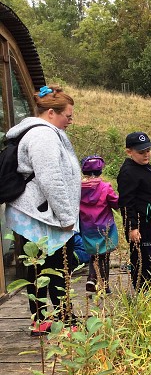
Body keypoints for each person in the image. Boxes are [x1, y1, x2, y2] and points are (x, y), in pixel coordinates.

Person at [3, 85, 80, 335]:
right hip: (41, 215)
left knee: (37, 267)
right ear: (50, 112)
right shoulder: (43, 136)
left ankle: (42, 319)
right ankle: (62, 321)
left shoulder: (42, 132)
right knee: (56, 266)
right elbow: (51, 179)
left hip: (36, 213)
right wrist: (67, 217)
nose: (70, 120)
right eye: (67, 115)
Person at [117, 132, 151, 291]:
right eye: (141, 152)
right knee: (142, 261)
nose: (146, 154)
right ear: (129, 152)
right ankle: (141, 291)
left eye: (148, 150)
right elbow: (126, 202)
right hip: (142, 226)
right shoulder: (128, 172)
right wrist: (132, 227)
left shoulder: (146, 167)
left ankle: (149, 288)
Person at [79, 155, 119, 294]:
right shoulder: (105, 187)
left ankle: (91, 277)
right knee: (105, 256)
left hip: (87, 227)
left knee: (93, 254)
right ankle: (104, 285)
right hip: (105, 227)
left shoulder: (79, 187)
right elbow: (115, 203)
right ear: (100, 171)